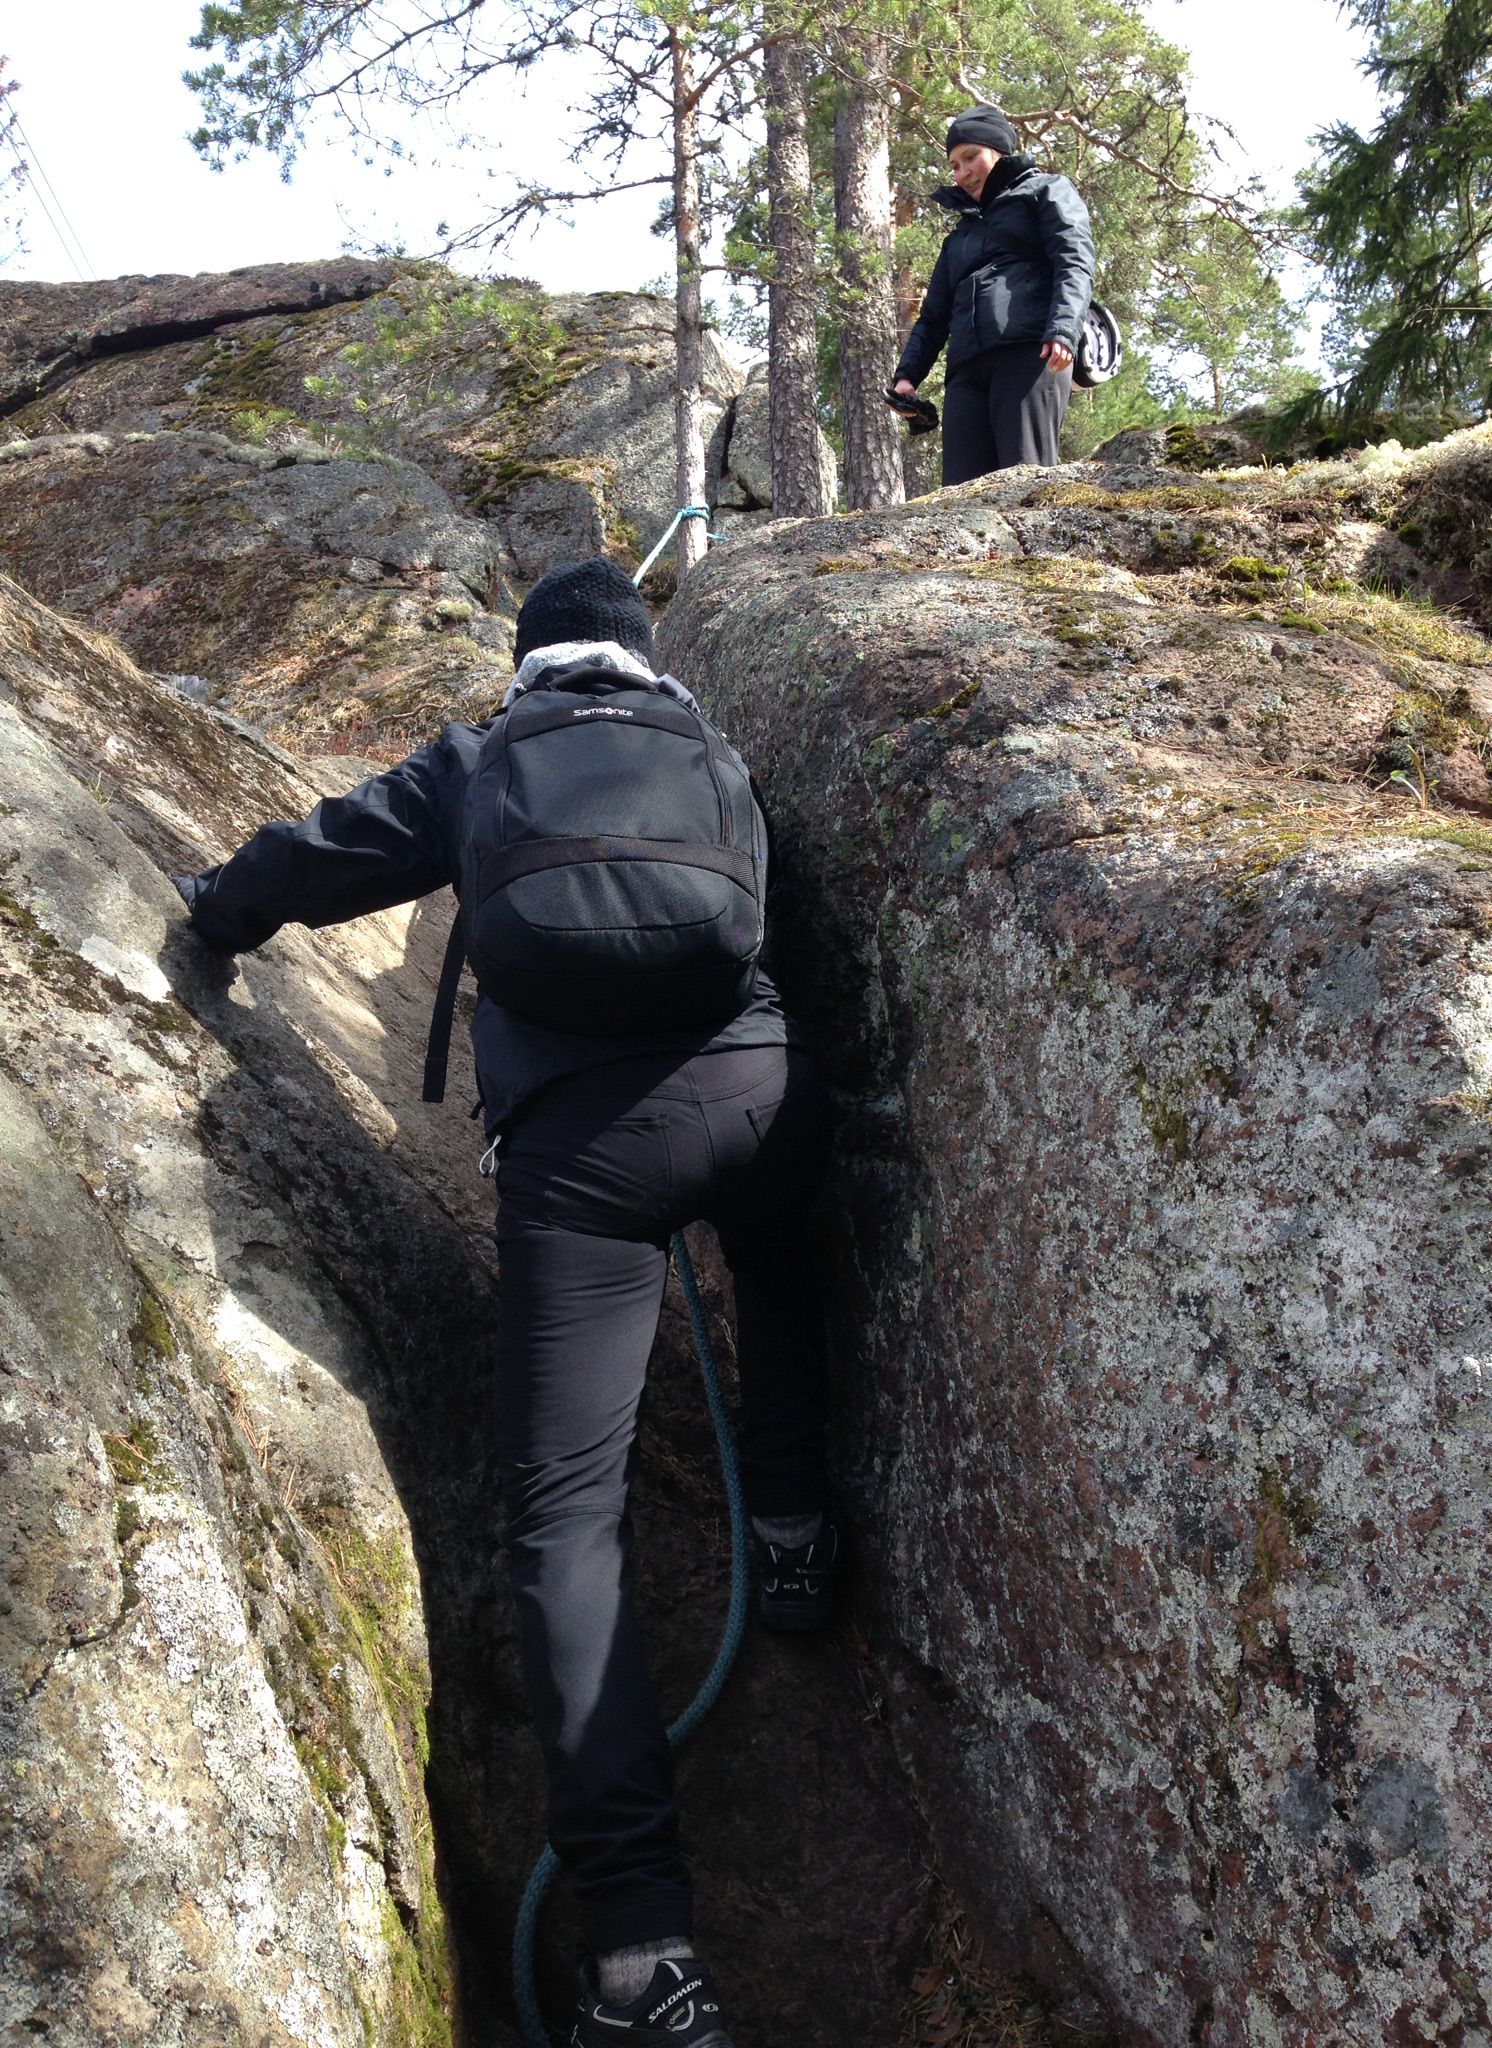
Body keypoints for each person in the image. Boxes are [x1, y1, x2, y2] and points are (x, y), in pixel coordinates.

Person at [173, 557, 838, 2048]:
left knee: (566, 1518)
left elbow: (323, 856)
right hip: (760, 1097)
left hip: (590, 1166)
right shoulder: (713, 754)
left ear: (529, 662)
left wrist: (214, 912)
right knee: (785, 1266)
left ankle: (642, 1957)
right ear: (643, 658)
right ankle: (791, 1542)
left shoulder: (486, 756)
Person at [891, 104, 1096, 484]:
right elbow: (934, 317)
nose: (962, 172)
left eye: (971, 158)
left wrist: (1064, 330)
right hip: (966, 370)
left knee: (1026, 483)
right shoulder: (959, 238)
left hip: (1031, 352)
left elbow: (1074, 263)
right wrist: (908, 377)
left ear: (999, 151)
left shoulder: (1047, 190)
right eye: (954, 165)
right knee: (961, 495)